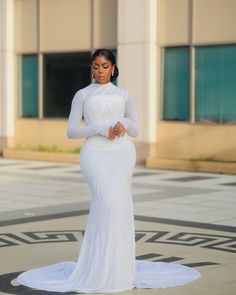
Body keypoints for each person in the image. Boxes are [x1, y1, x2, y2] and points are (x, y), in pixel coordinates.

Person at [16, 48, 201, 293]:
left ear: (113, 68)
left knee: (118, 208)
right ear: (91, 68)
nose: (100, 71)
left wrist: (123, 123)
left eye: (105, 66)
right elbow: (71, 131)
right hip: (95, 156)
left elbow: (136, 129)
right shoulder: (82, 94)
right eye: (95, 66)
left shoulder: (124, 94)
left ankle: (118, 268)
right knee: (107, 204)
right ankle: (98, 268)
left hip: (122, 155)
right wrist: (100, 127)